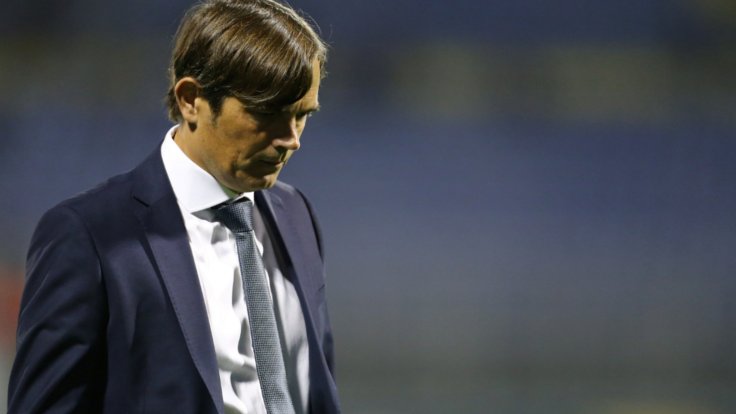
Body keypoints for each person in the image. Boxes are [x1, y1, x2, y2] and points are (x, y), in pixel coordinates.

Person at [7, 0, 340, 413]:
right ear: (190, 99)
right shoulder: (89, 236)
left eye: (302, 115)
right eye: (266, 113)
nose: (292, 139)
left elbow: (314, 385)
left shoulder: (296, 215)